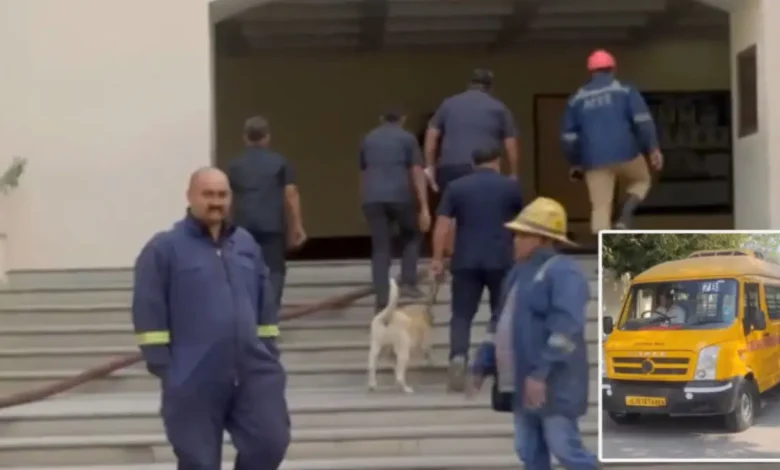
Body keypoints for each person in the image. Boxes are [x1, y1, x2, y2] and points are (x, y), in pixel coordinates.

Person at [132, 167, 290, 470]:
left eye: (222, 194)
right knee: (199, 463)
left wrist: (268, 350)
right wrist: (167, 368)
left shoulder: (245, 244)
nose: (216, 202)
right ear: (190, 196)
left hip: (253, 371)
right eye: (208, 194)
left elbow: (265, 304)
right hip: (193, 374)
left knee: (271, 442)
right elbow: (148, 310)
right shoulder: (164, 249)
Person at [469, 197, 598, 470]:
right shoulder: (517, 274)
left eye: (522, 235)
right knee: (528, 452)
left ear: (543, 239)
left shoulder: (564, 272)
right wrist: (482, 364)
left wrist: (540, 373)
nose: (515, 241)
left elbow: (566, 328)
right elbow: (498, 323)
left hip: (555, 384)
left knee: (565, 449)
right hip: (521, 383)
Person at [430, 147, 524, 392]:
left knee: (461, 314)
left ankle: (458, 357)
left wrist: (438, 258)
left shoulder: (456, 187)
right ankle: (496, 362)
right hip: (502, 259)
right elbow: (523, 225)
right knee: (501, 314)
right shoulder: (510, 187)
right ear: (497, 161)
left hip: (465, 259)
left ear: (473, 163)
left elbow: (442, 225)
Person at [561, 49, 663, 232]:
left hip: (593, 160)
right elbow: (642, 121)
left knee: (600, 207)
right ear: (613, 69)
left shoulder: (576, 99)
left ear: (591, 71)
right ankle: (625, 216)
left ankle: (601, 246)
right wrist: (652, 148)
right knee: (642, 181)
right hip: (627, 153)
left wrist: (576, 162)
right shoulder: (625, 90)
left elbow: (569, 138)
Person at [228, 115, 306, 312]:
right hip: (273, 225)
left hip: (243, 225)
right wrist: (297, 225)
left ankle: (249, 312)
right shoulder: (280, 162)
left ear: (245, 138)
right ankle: (270, 315)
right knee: (274, 270)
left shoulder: (234, 166)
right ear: (267, 137)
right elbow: (291, 194)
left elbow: (227, 198)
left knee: (244, 268)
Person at [360, 109, 430, 308]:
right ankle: (408, 282)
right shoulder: (407, 138)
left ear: (381, 118)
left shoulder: (368, 139)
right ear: (403, 119)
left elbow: (364, 171)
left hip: (373, 197)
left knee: (380, 247)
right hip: (400, 195)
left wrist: (365, 198)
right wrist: (424, 205)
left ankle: (381, 294)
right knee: (412, 235)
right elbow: (417, 170)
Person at [424, 68, 521, 195]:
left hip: (450, 167)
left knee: (452, 203)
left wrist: (430, 167)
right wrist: (514, 173)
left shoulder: (448, 104)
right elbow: (511, 143)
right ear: (490, 87)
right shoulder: (499, 108)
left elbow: (431, 134)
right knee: (481, 203)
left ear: (469, 84)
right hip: (483, 169)